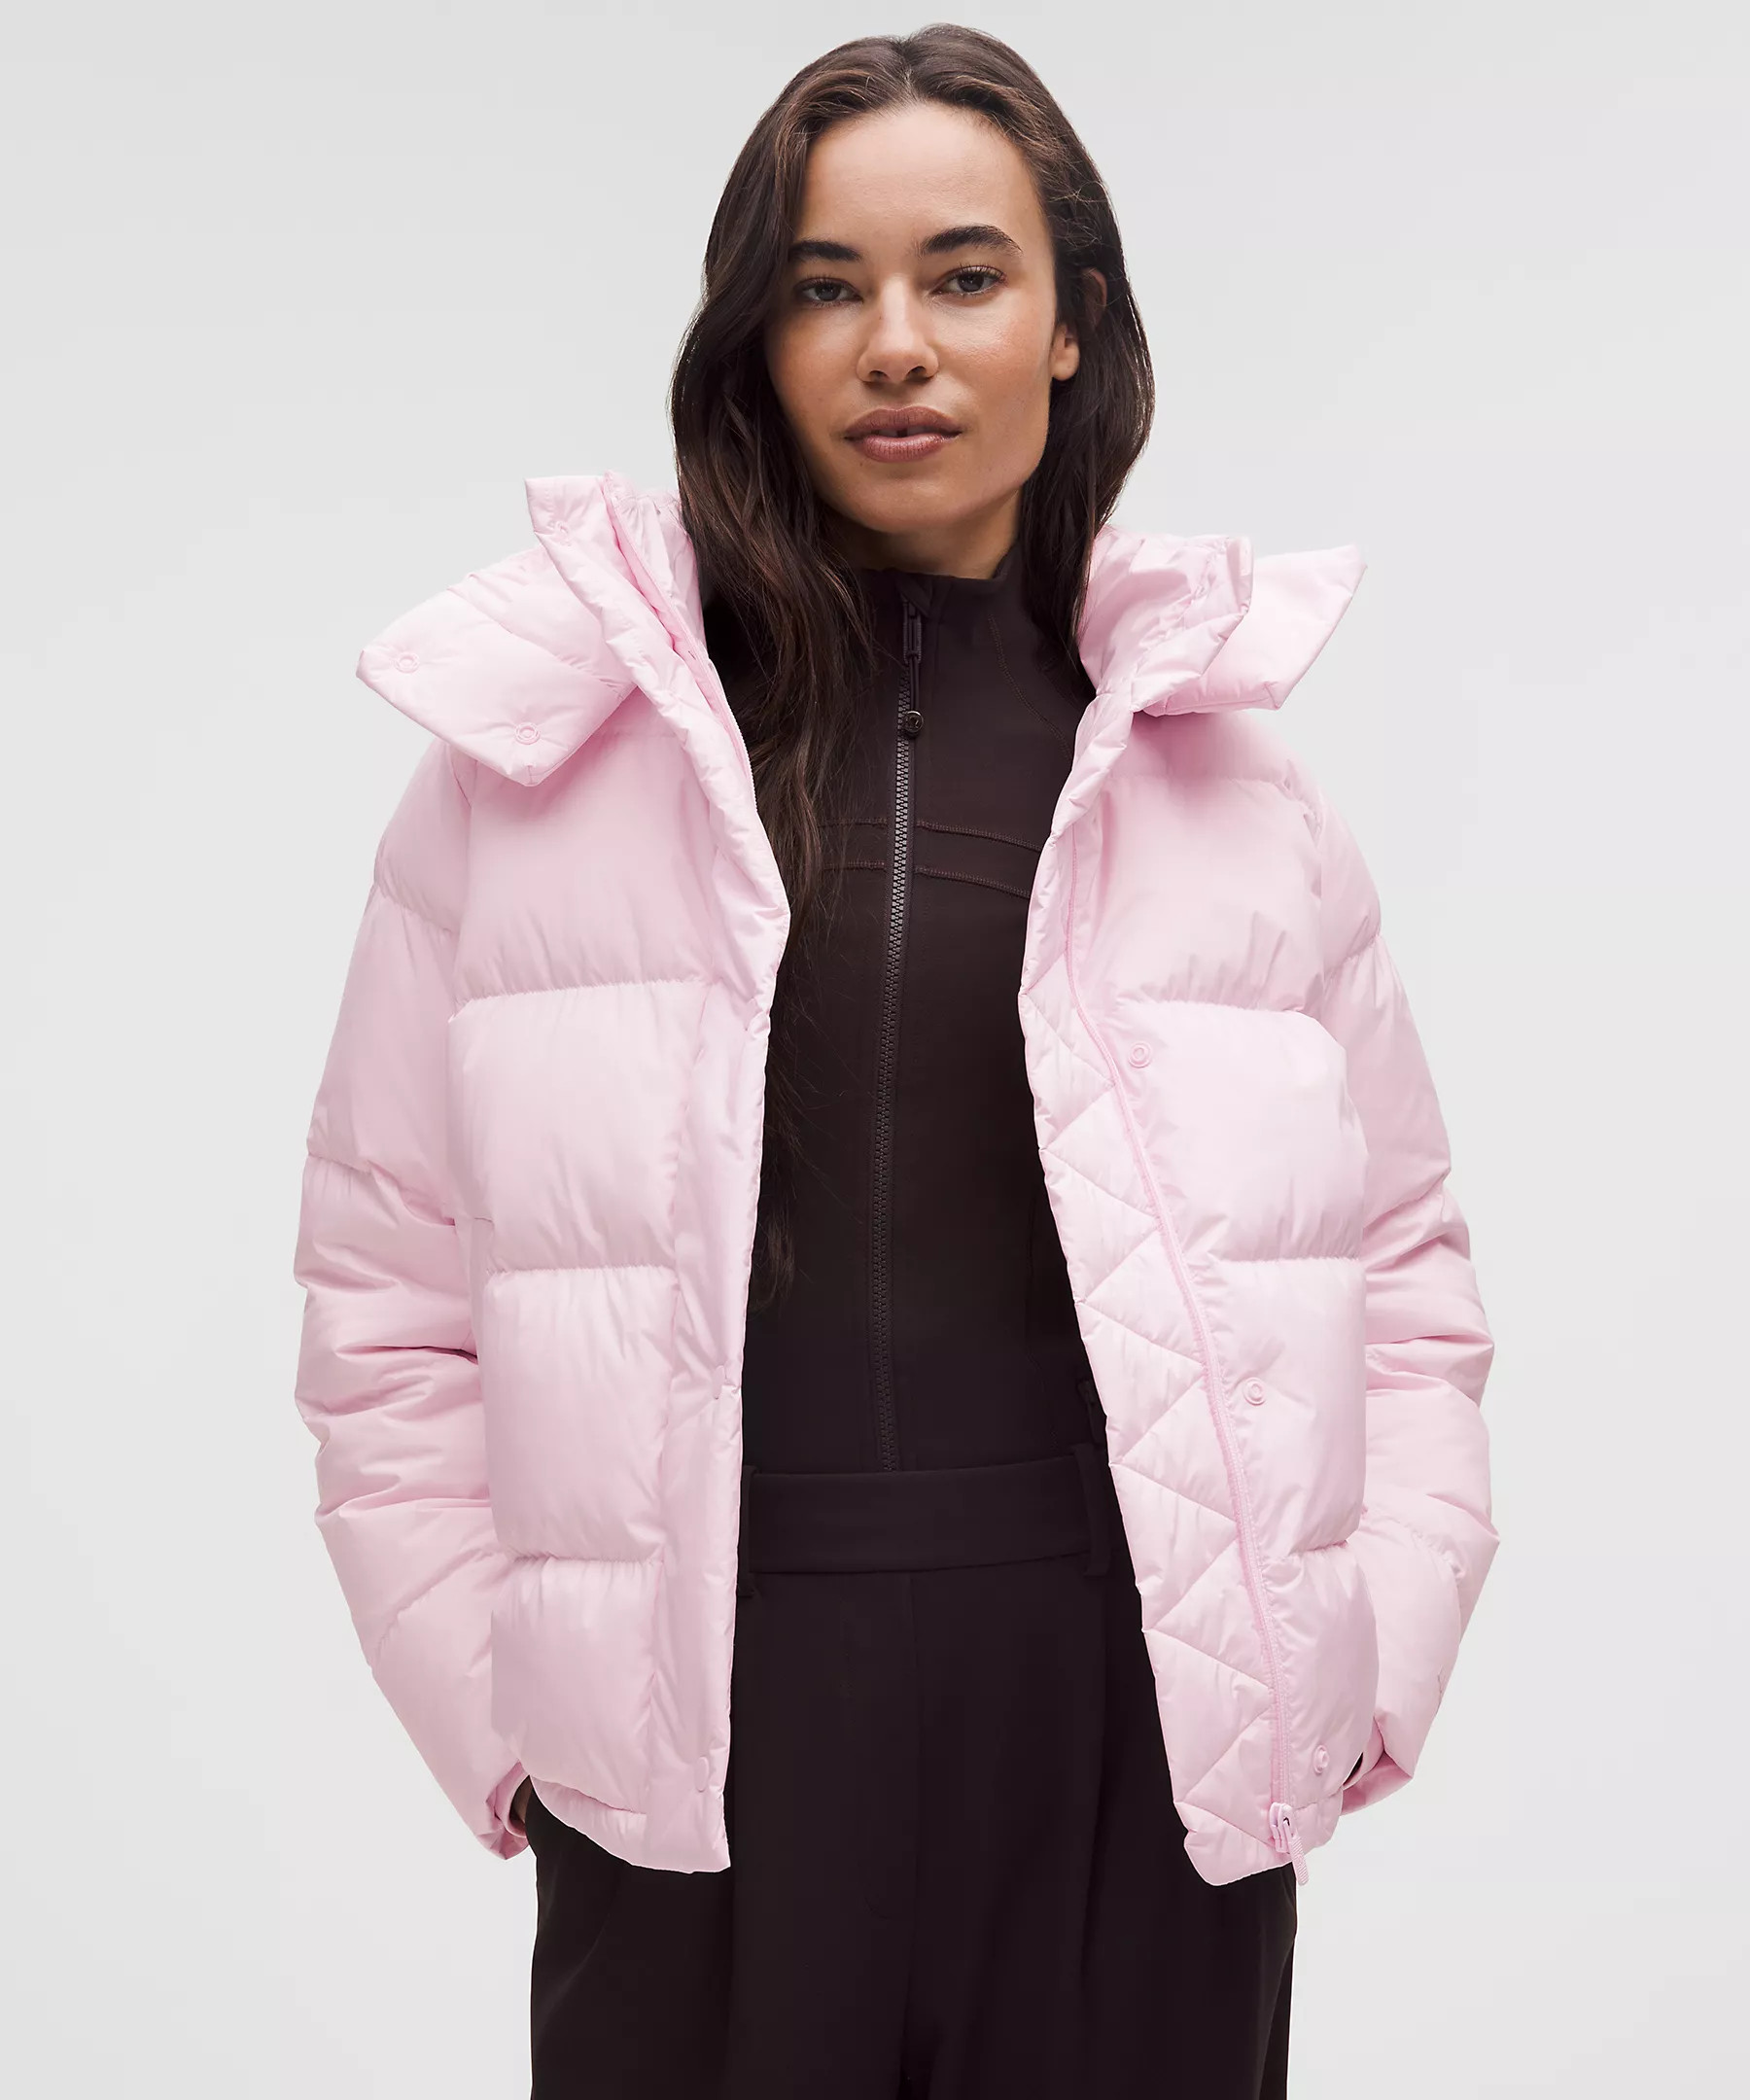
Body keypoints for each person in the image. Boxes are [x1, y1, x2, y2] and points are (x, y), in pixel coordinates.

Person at [292, 24, 1497, 2099]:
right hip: (708, 1760)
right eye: (825, 287)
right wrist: (515, 1717)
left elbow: (1403, 1275)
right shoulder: (533, 774)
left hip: (1137, 1739)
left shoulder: (1235, 788)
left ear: (1070, 322)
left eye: (964, 275)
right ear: (752, 342)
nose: (897, 345)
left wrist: (1362, 1643)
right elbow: (384, 1300)